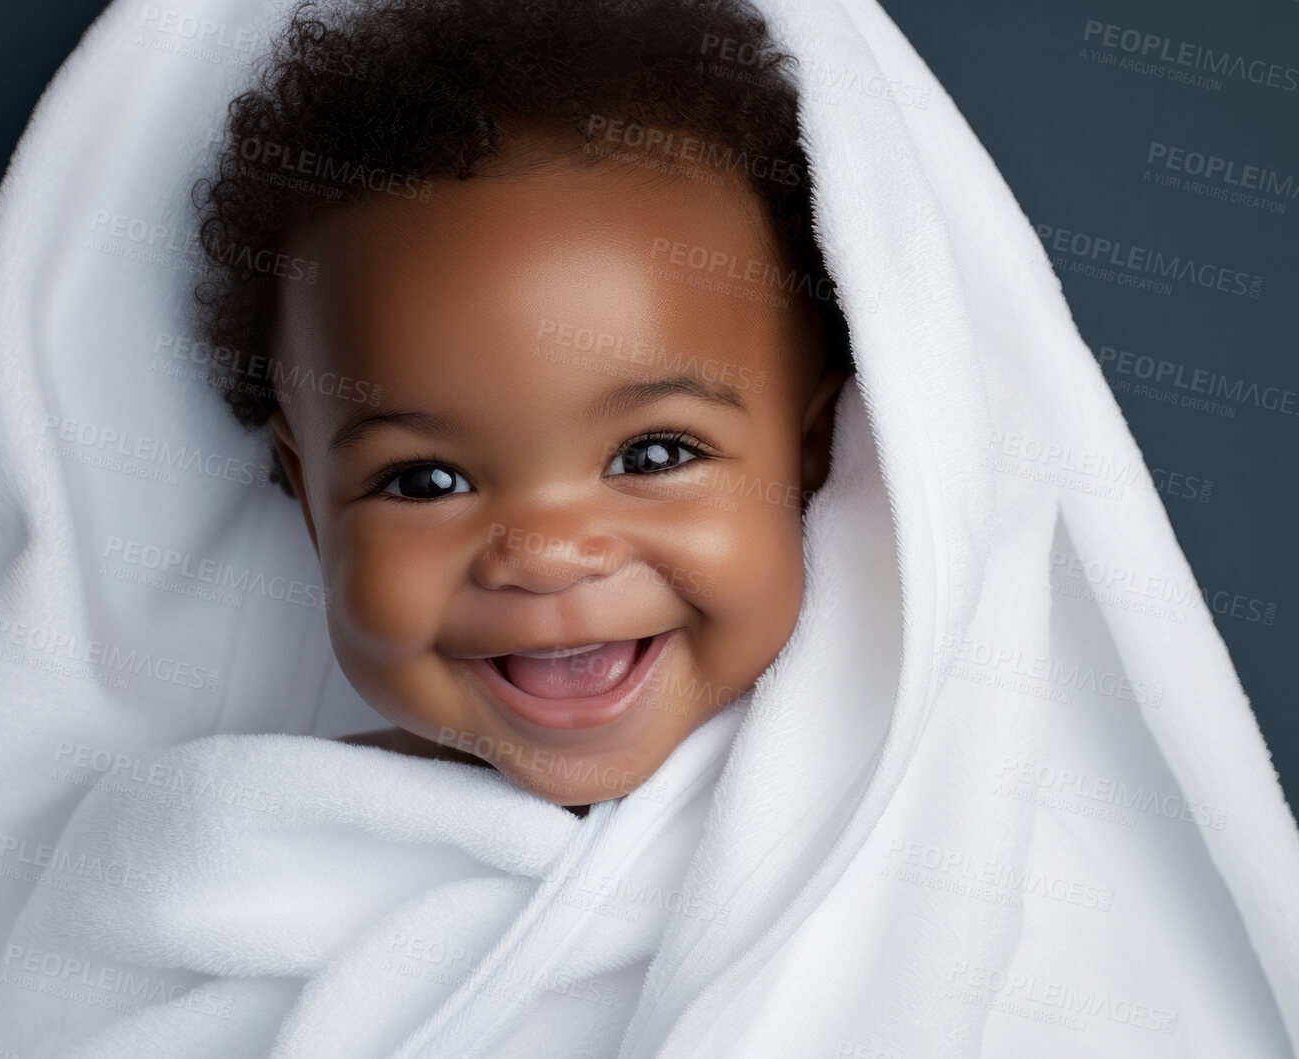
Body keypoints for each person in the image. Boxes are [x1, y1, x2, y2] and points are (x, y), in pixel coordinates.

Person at [195, 0, 852, 813]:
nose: (544, 557)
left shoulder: (924, 822)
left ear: (815, 442)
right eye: (424, 481)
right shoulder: (256, 849)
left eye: (653, 454)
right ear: (310, 500)